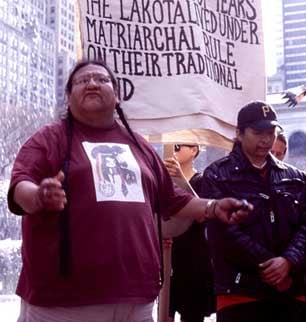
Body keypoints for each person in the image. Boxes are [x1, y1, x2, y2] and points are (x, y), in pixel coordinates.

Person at [7, 59, 251, 322]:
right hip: (64, 302)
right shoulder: (49, 139)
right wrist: (39, 196)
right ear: (68, 97)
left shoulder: (140, 146)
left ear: (118, 96)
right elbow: (20, 186)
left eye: (101, 79)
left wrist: (212, 207)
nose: (91, 83)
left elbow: (173, 200)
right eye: (82, 80)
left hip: (137, 299)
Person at [200, 101, 306, 322]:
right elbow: (223, 234)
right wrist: (271, 267)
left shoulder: (295, 177)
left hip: (292, 290)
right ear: (239, 133)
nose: (266, 140)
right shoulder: (217, 175)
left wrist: (289, 261)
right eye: (258, 133)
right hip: (241, 292)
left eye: (271, 132)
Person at [164, 144, 216, 322]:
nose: (174, 149)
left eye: (178, 146)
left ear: (194, 150)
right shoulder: (164, 181)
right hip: (169, 254)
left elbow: (203, 214)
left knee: (192, 313)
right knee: (165, 311)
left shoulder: (202, 180)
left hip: (194, 256)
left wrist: (181, 179)